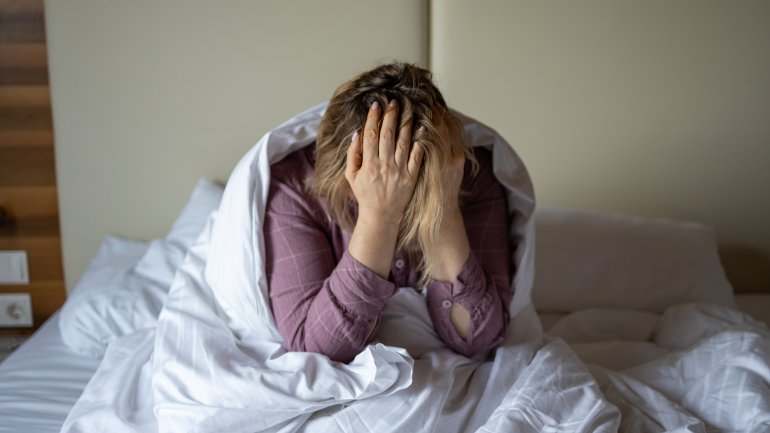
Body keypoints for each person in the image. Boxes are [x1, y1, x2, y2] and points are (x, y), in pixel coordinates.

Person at [264, 63, 511, 363]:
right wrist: (378, 216)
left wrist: (442, 207)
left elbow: (479, 337)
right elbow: (314, 350)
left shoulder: (469, 171)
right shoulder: (294, 189)